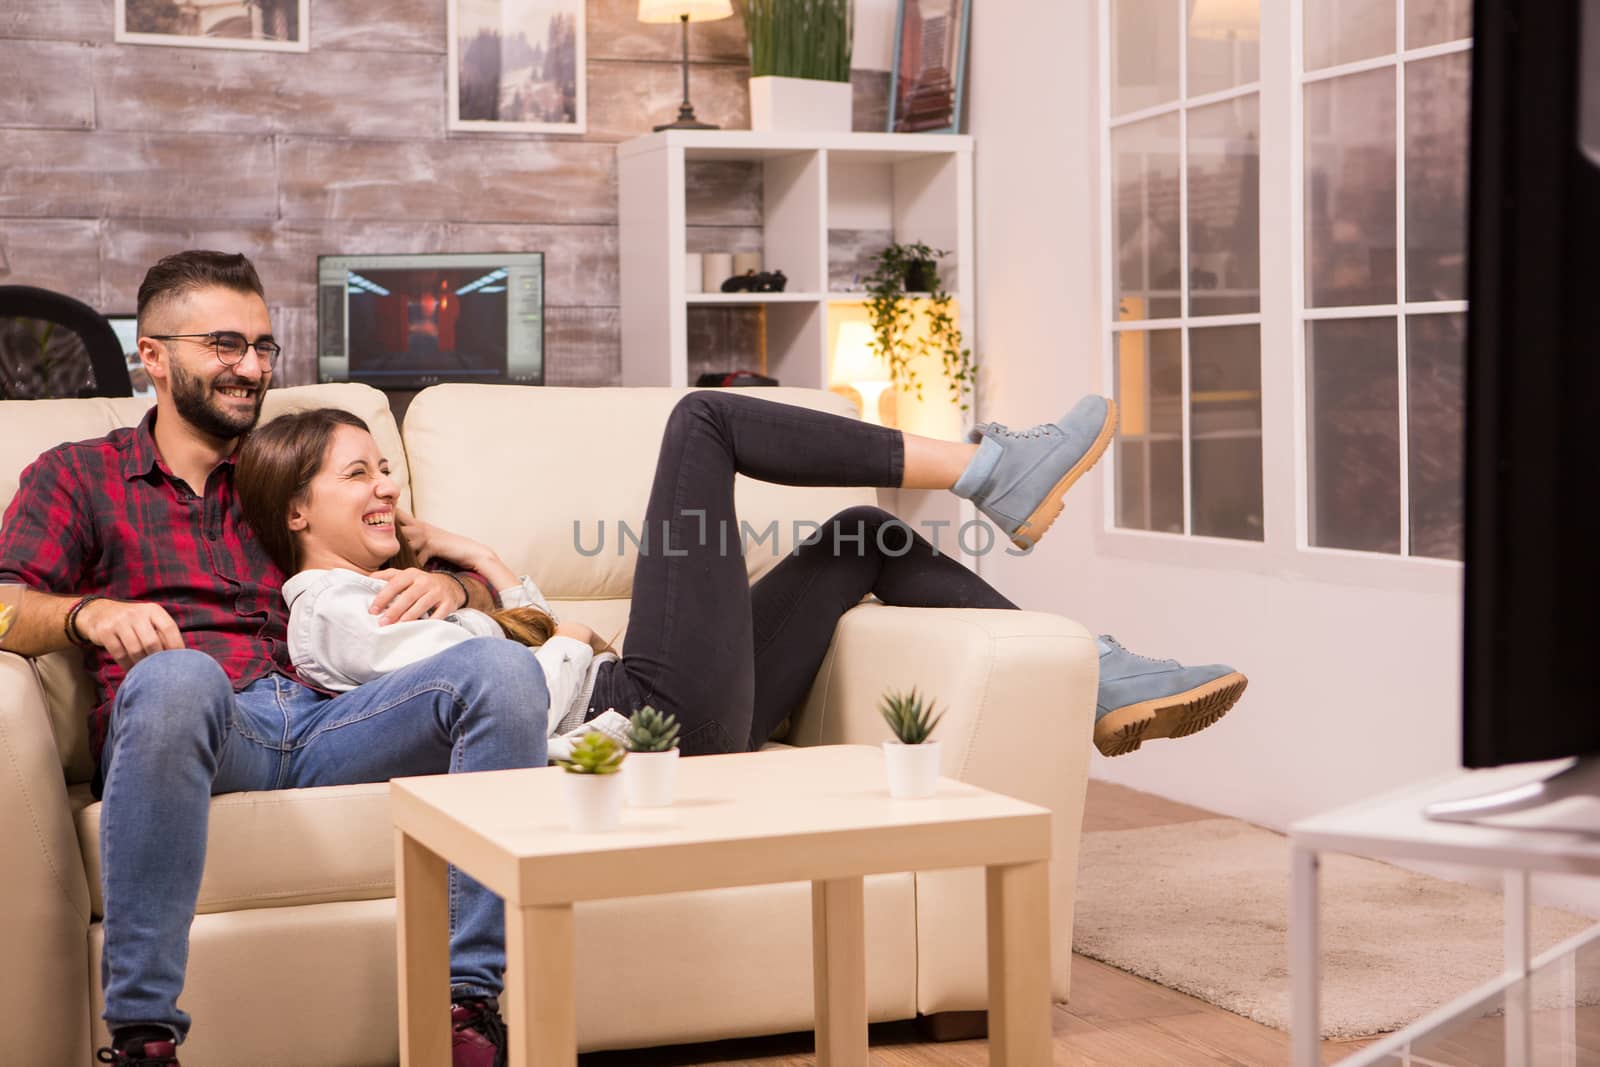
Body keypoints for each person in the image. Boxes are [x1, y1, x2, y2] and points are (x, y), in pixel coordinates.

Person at [0, 252, 538, 1067]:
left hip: (335, 719)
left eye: (262, 346)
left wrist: (459, 590)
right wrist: (88, 613)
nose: (250, 368)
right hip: (199, 725)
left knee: (505, 673)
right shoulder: (80, 476)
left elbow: (412, 553)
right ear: (152, 354)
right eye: (224, 344)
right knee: (180, 675)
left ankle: (464, 1012)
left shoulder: (294, 468)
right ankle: (144, 1038)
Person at [237, 383, 1247, 764]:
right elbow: (510, 689)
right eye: (357, 472)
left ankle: (1096, 674)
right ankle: (990, 467)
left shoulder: (413, 587)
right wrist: (485, 604)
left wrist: (490, 570)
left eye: (386, 468)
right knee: (704, 421)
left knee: (860, 535)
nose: (384, 488)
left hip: (643, 693)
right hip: (643, 714)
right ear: (295, 510)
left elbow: (555, 650)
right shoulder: (330, 611)